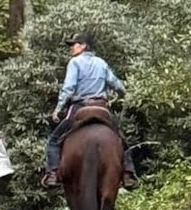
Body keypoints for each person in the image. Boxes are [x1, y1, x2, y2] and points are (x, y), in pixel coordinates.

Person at [42, 33, 138, 189]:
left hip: (79, 107)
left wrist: (58, 109)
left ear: (83, 46)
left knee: (53, 140)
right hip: (101, 107)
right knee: (121, 139)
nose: (72, 48)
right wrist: (125, 96)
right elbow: (117, 84)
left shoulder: (75, 62)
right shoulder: (101, 62)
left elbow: (68, 88)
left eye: (74, 44)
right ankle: (128, 174)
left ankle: (52, 173)